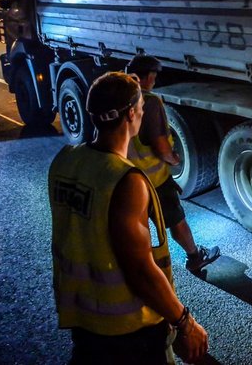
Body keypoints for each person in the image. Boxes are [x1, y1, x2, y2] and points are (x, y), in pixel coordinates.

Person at [49, 72, 208, 364]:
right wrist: (185, 322)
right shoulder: (126, 181)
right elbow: (141, 271)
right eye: (141, 108)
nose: (144, 112)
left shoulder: (64, 161)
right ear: (132, 114)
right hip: (128, 331)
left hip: (83, 321)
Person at [126, 54, 221, 275]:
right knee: (176, 220)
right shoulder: (149, 102)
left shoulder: (118, 98)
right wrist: (173, 159)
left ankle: (140, 265)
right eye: (154, 76)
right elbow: (160, 144)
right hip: (153, 180)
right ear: (148, 77)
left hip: (126, 178)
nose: (155, 81)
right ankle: (195, 257)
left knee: (137, 225)